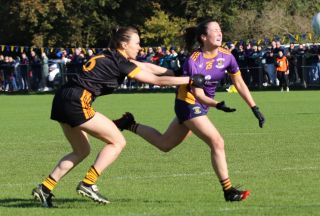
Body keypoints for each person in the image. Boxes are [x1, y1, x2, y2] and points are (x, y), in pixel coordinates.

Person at [31, 26, 204, 208]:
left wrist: (175, 74)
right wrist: (190, 80)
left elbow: (146, 66)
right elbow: (156, 81)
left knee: (81, 150)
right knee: (117, 141)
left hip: (62, 99)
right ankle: (88, 183)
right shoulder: (120, 61)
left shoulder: (112, 56)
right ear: (124, 44)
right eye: (137, 43)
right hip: (77, 101)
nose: (140, 47)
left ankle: (45, 188)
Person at [114, 19, 265, 202]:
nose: (219, 33)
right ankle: (229, 190)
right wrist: (216, 104)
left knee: (165, 144)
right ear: (203, 37)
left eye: (220, 30)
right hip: (188, 103)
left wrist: (254, 107)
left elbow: (239, 83)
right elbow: (198, 94)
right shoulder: (194, 61)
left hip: (201, 105)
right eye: (215, 30)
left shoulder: (227, 56)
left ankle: (129, 124)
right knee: (217, 141)